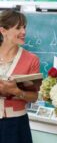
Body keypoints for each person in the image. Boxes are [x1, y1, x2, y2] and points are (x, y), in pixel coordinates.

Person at [0, 9, 40, 143]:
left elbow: (34, 97)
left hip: (16, 124)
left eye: (24, 27)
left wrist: (16, 91)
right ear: (3, 31)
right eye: (18, 28)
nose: (23, 32)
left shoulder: (32, 59)